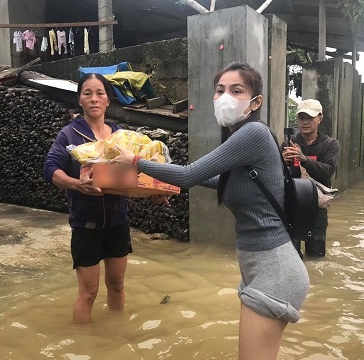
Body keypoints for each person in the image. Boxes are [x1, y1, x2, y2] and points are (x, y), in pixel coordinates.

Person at [112, 62, 309, 360]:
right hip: (261, 267)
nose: (225, 97)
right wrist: (159, 182)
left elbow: (190, 174)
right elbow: (216, 181)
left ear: (255, 102)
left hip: (275, 270)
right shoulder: (240, 138)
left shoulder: (253, 132)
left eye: (236, 90)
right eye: (220, 90)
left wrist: (137, 161)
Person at [43, 73, 133, 323]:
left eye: (100, 93)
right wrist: (76, 184)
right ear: (80, 100)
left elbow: (137, 173)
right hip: (86, 224)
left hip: (118, 221)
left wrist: (156, 194)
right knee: (89, 292)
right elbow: (50, 169)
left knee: (117, 284)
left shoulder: (120, 136)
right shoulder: (70, 135)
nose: (94, 98)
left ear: (108, 101)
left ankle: (117, 334)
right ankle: (83, 346)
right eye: (87, 93)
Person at [282, 99, 341, 258]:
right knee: (292, 256)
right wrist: (282, 161)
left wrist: (304, 159)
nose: (305, 122)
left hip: (316, 206)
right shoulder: (289, 143)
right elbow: (278, 175)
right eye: (301, 118)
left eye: (310, 117)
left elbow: (328, 171)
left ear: (320, 118)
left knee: (316, 256)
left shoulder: (330, 145)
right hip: (292, 205)